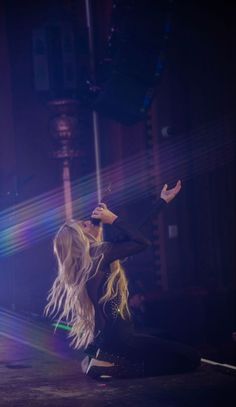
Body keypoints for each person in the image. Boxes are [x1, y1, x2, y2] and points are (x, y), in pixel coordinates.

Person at [45, 180, 200, 379]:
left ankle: (102, 360)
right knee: (191, 358)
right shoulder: (98, 254)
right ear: (79, 239)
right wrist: (114, 220)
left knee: (165, 343)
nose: (90, 222)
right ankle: (116, 367)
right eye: (84, 225)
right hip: (121, 339)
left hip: (108, 339)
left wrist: (162, 202)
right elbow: (141, 242)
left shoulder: (91, 260)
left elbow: (133, 235)